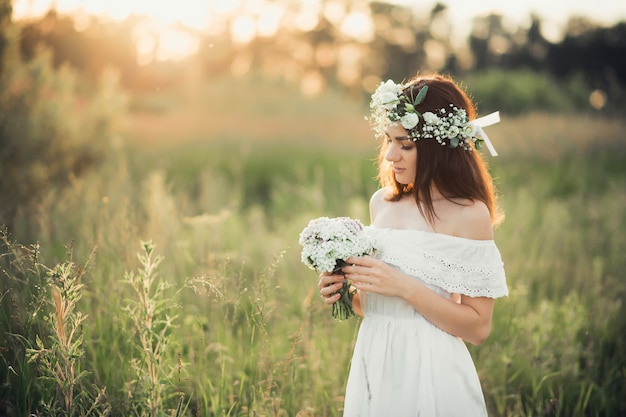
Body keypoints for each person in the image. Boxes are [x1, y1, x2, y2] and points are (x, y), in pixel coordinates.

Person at [318, 73, 508, 416]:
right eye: (388, 141)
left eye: (405, 144)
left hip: (430, 366)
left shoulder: (469, 215)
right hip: (374, 358)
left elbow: (478, 327)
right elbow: (372, 306)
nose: (391, 155)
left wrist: (405, 287)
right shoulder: (381, 203)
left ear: (438, 146)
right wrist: (345, 289)